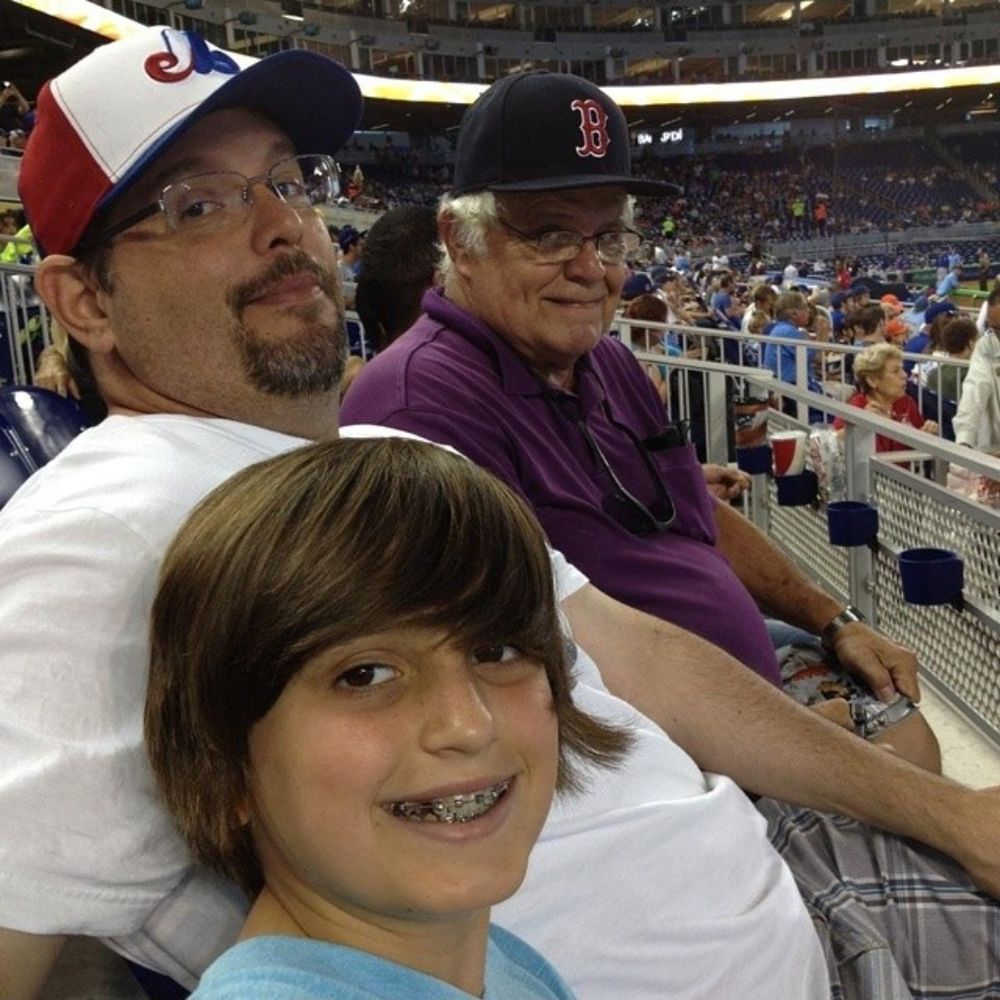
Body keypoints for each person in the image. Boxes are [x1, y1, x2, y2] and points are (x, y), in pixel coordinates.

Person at [3, 39, 999, 1000]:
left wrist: (952, 814)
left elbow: (642, 660)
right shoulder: (92, 540)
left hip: (785, 880)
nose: (282, 225)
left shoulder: (384, 467)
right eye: (199, 202)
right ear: (82, 300)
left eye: (287, 179)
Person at [147, 436, 629, 999]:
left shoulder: (508, 969)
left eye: (496, 651)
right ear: (224, 763)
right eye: (365, 675)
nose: (469, 724)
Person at [833, 343, 939, 452]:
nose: (904, 375)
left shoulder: (906, 403)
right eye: (895, 371)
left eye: (902, 369)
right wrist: (861, 425)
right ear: (872, 380)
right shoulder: (856, 408)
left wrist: (927, 436)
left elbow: (914, 443)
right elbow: (830, 444)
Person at [953, 285, 1000, 453]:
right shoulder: (987, 345)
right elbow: (974, 389)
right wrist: (964, 440)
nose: (996, 335)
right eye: (992, 328)